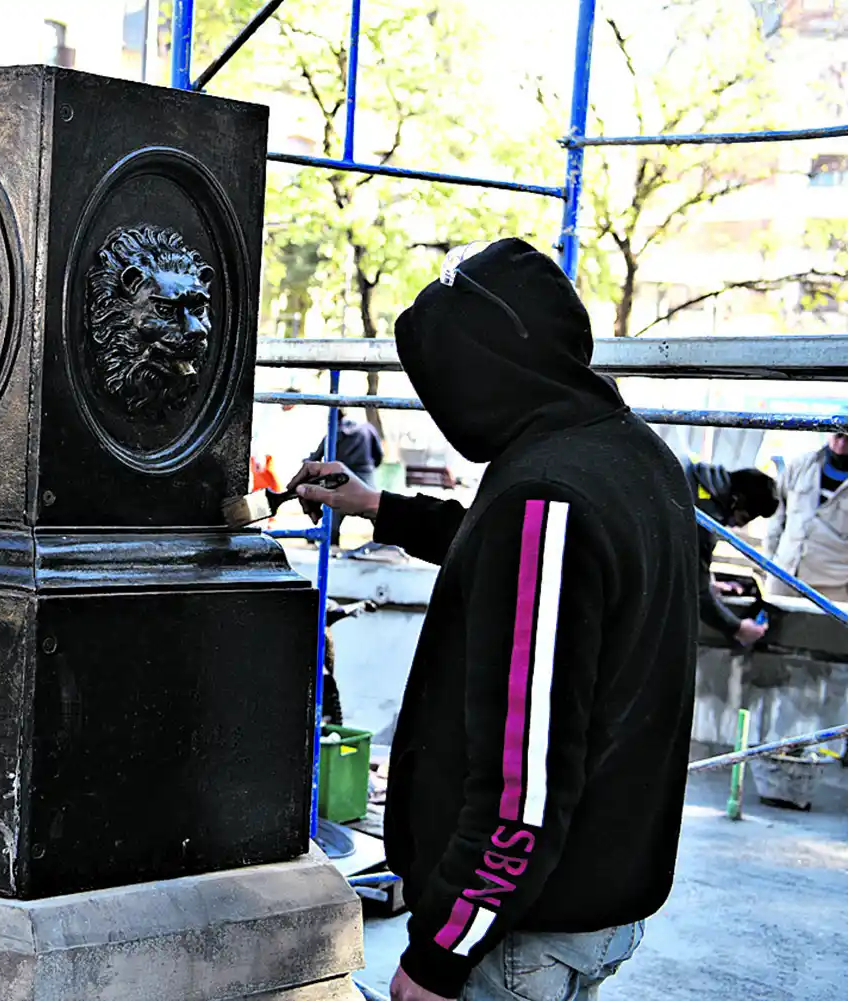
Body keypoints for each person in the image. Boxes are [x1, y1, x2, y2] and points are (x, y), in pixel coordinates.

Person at [290, 239, 697, 1001]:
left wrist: (443, 950)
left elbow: (526, 786)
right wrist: (376, 505)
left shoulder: (545, 500)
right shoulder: (629, 457)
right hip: (586, 905)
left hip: (516, 936)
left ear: (485, 375)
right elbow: (513, 556)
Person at [683, 460, 778, 645]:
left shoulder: (696, 477)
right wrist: (738, 628)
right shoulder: (705, 521)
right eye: (739, 519)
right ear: (736, 501)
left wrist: (707, 581)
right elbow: (698, 595)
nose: (731, 526)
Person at [764, 433, 848, 601]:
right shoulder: (801, 465)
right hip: (783, 574)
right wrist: (769, 560)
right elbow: (776, 513)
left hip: (832, 585)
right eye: (839, 435)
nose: (842, 443)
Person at [308, 413, 384, 545]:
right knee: (375, 507)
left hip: (342, 476)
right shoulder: (367, 428)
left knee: (335, 510)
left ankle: (331, 543)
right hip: (365, 473)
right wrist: (370, 467)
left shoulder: (334, 432)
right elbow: (379, 454)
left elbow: (318, 456)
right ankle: (388, 543)